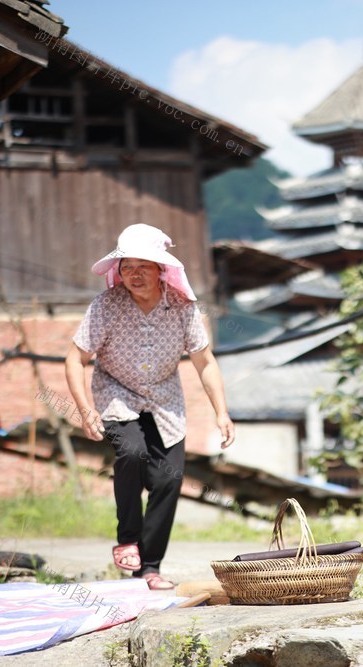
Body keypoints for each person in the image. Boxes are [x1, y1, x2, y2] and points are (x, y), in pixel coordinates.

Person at [65, 223, 235, 590]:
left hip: (164, 401)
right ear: (118, 270)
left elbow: (205, 363)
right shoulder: (106, 306)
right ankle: (127, 537)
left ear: (162, 270)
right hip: (116, 394)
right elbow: (75, 359)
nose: (134, 274)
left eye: (145, 265)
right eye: (127, 266)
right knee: (132, 452)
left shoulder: (184, 309)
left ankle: (150, 567)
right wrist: (85, 410)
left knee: (168, 480)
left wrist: (221, 411)